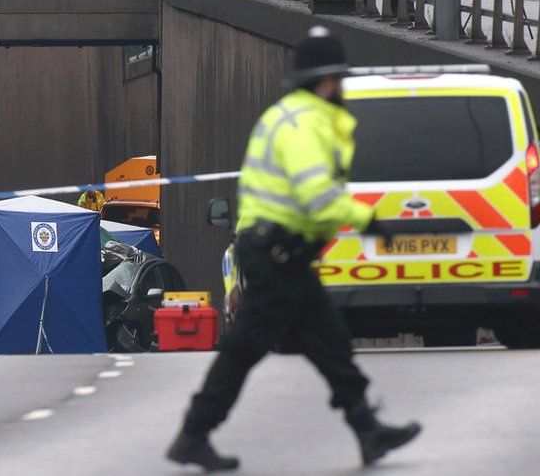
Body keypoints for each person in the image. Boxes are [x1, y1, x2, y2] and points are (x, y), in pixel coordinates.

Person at [166, 27, 421, 472]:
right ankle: (194, 432)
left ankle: (367, 430)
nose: (343, 87)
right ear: (326, 82)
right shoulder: (306, 124)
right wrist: (368, 220)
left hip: (281, 253)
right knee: (246, 347)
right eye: (340, 78)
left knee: (331, 342)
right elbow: (317, 195)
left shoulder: (290, 115)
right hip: (276, 254)